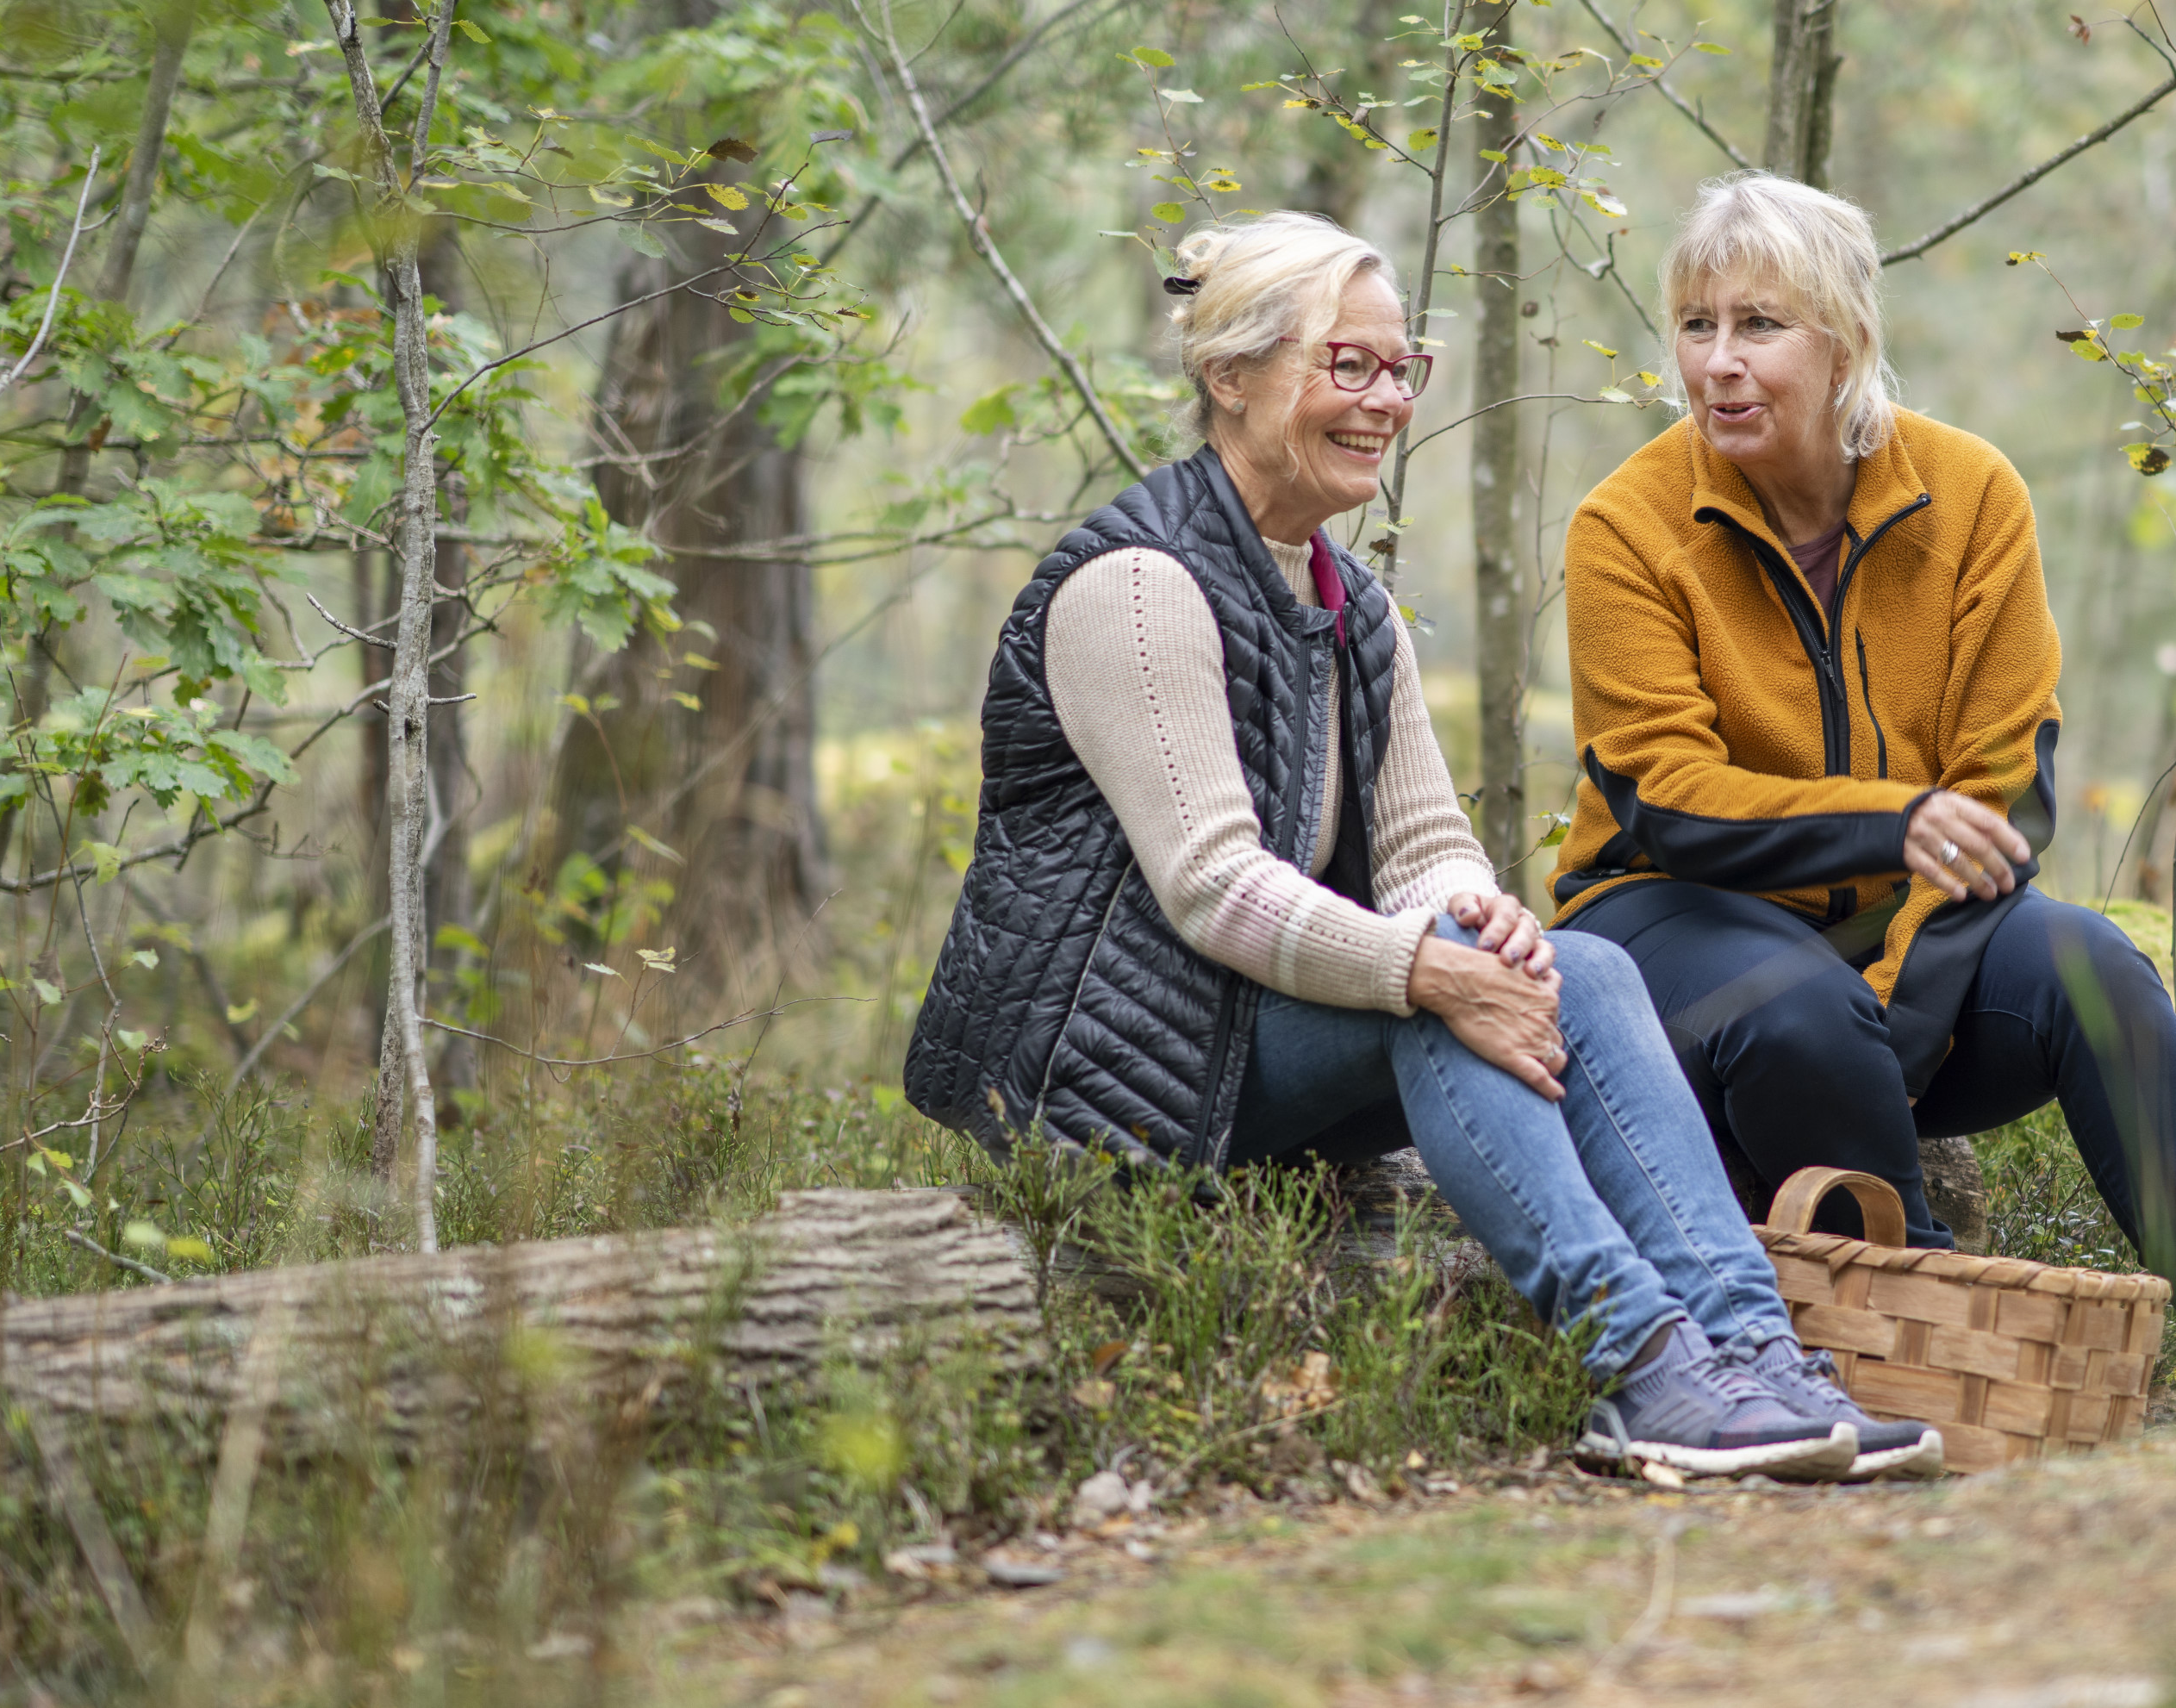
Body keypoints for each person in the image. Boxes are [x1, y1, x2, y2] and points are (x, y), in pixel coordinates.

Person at [906, 211, 1939, 1480]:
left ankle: (1748, 1347)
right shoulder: (1135, 586)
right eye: (1349, 365)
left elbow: (1428, 844)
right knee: (1443, 988)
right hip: (1103, 1080)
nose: (1385, 399)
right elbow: (1214, 887)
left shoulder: (1349, 602)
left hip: (1247, 1036)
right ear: (1230, 375)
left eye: (1403, 368)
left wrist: (1478, 923)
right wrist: (1432, 967)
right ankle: (1643, 1363)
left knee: (1581, 967)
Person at [1553, 170, 2176, 1264]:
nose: (1718, 360)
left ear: (1844, 339)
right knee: (1802, 1009)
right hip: (1665, 918)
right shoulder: (1626, 526)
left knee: (2098, 968)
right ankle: (1926, 1323)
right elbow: (1667, 799)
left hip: (1898, 957)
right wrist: (1890, 822)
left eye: (1759, 324)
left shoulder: (1972, 492)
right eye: (1697, 325)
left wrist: (1889, 1004)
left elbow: (2005, 795)